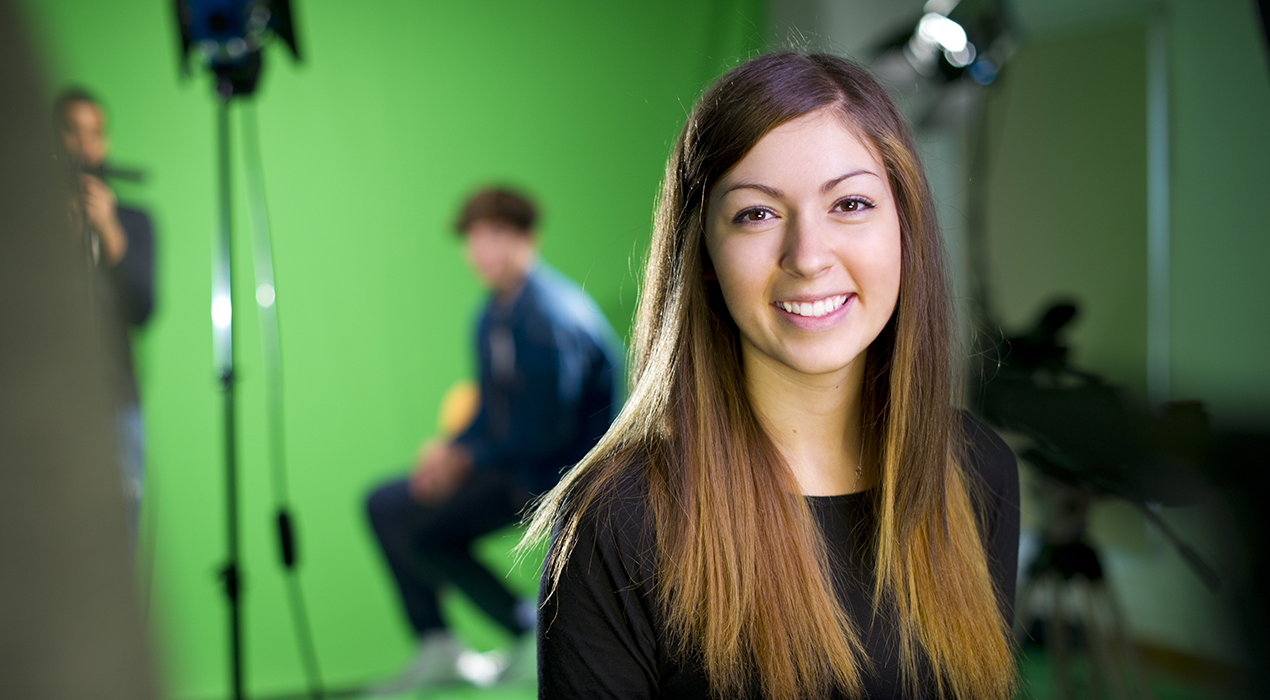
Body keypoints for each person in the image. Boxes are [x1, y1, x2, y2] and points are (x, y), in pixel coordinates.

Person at [524, 52, 1020, 700]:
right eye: (757, 214)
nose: (808, 257)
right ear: (703, 252)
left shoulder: (977, 469)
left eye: (850, 203)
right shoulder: (618, 521)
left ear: (905, 227)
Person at [364, 187, 621, 693]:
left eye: (497, 237)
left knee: (429, 534)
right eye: (474, 240)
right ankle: (438, 645)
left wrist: (467, 458)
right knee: (385, 504)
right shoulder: (491, 316)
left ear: (527, 239)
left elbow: (547, 431)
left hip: (556, 479)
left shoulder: (549, 316)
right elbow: (489, 409)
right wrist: (449, 450)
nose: (483, 252)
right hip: (510, 465)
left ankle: (530, 632)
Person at [56, 87, 157, 550]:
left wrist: (110, 232)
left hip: (118, 407)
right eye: (72, 132)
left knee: (121, 549)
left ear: (106, 143)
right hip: (50, 407)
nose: (84, 144)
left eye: (94, 133)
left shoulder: (135, 221)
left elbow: (142, 309)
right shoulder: (29, 223)